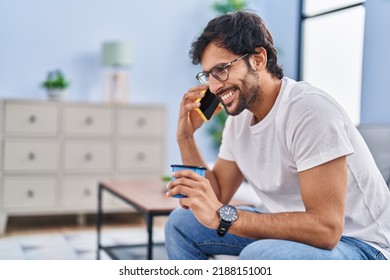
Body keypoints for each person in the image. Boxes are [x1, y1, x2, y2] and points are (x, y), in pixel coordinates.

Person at [164, 11, 390, 260]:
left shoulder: (310, 111)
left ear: (258, 59)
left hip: (360, 244)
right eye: (208, 75)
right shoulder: (238, 121)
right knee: (182, 223)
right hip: (291, 230)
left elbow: (326, 229)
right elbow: (216, 198)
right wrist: (185, 137)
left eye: (221, 70)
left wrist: (224, 216)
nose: (215, 86)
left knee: (259, 255)